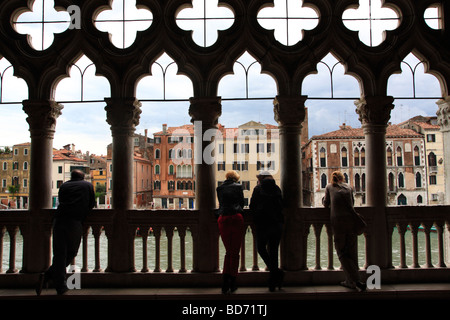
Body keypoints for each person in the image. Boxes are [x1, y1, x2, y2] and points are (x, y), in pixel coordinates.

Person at [36, 169, 95, 295]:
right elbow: (91, 204)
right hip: (74, 221)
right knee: (72, 251)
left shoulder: (63, 186)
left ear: (71, 177)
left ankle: (54, 280)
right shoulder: (88, 185)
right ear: (83, 177)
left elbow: (61, 200)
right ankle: (53, 280)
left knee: (59, 253)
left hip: (58, 220)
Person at [323, 171, 366, 292]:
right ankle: (350, 281)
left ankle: (356, 280)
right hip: (351, 222)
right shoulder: (349, 187)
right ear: (343, 178)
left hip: (339, 224)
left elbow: (326, 204)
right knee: (351, 253)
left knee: (341, 252)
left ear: (332, 179)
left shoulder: (329, 187)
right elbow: (352, 203)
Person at [249, 171, 284, 292]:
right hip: (277, 224)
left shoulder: (258, 189)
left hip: (263, 224)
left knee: (261, 248)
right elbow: (281, 205)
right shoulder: (277, 189)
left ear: (261, 179)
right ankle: (274, 280)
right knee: (274, 252)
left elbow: (252, 205)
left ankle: (275, 274)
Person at [216, 170, 245, 294]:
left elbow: (221, 204)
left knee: (228, 252)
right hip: (236, 218)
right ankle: (232, 281)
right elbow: (242, 203)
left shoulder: (219, 188)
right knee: (235, 252)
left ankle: (225, 282)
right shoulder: (238, 187)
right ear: (236, 178)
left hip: (223, 219)